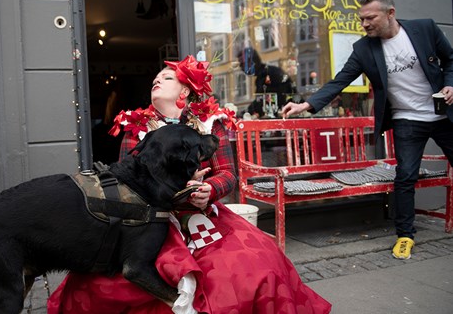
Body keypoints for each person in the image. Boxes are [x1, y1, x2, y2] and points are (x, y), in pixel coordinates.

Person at [47, 55, 331, 313]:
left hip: (203, 217)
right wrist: (175, 188)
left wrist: (210, 191)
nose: (157, 79)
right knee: (102, 285)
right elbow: (127, 186)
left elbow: (228, 174)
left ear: (184, 92)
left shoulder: (210, 124)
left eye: (167, 77)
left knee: (259, 265)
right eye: (156, 78)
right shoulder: (137, 130)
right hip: (151, 222)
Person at [282, 0, 453, 260]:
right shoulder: (364, 49)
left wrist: (449, 84)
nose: (364, 24)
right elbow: (340, 80)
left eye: (370, 18)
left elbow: (450, 59)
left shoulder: (425, 29)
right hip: (407, 119)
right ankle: (406, 236)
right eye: (362, 19)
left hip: (443, 113)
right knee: (405, 177)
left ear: (390, 13)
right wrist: (307, 104)